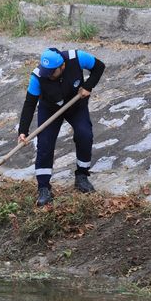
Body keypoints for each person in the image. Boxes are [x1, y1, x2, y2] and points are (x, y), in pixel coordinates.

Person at [17, 48, 105, 206]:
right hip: (49, 109)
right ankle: (44, 188)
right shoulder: (38, 75)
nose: (48, 75)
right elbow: (30, 103)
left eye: (52, 72)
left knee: (85, 134)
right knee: (44, 143)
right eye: (46, 72)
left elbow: (99, 67)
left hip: (76, 105)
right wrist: (23, 130)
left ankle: (82, 176)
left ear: (63, 66)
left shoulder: (77, 58)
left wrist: (88, 86)